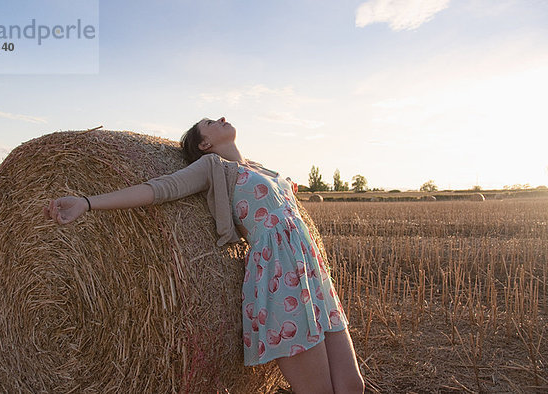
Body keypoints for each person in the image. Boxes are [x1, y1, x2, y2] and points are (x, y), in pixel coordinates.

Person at [44, 117, 365, 394]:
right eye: (210, 122)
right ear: (205, 144)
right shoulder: (213, 168)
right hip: (280, 279)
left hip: (313, 276)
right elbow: (159, 188)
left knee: (352, 386)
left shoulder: (260, 167)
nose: (221, 118)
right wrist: (87, 202)